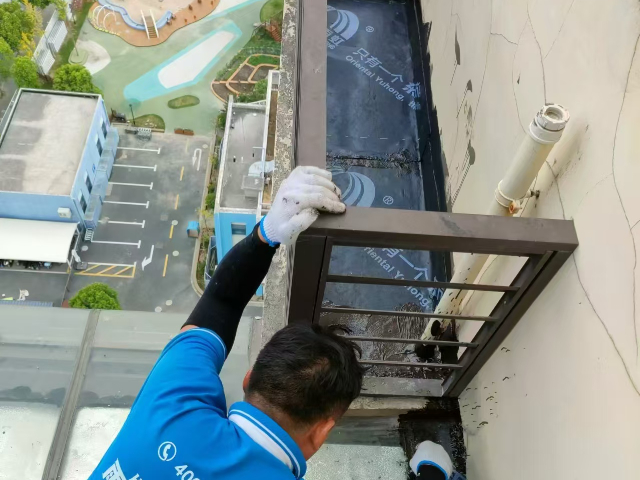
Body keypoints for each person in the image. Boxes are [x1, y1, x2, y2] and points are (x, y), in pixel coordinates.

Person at [89, 166, 454, 480]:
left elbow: (219, 302)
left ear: (250, 379)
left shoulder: (170, 405)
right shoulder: (171, 400)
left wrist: (267, 234)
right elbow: (220, 303)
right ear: (322, 430)